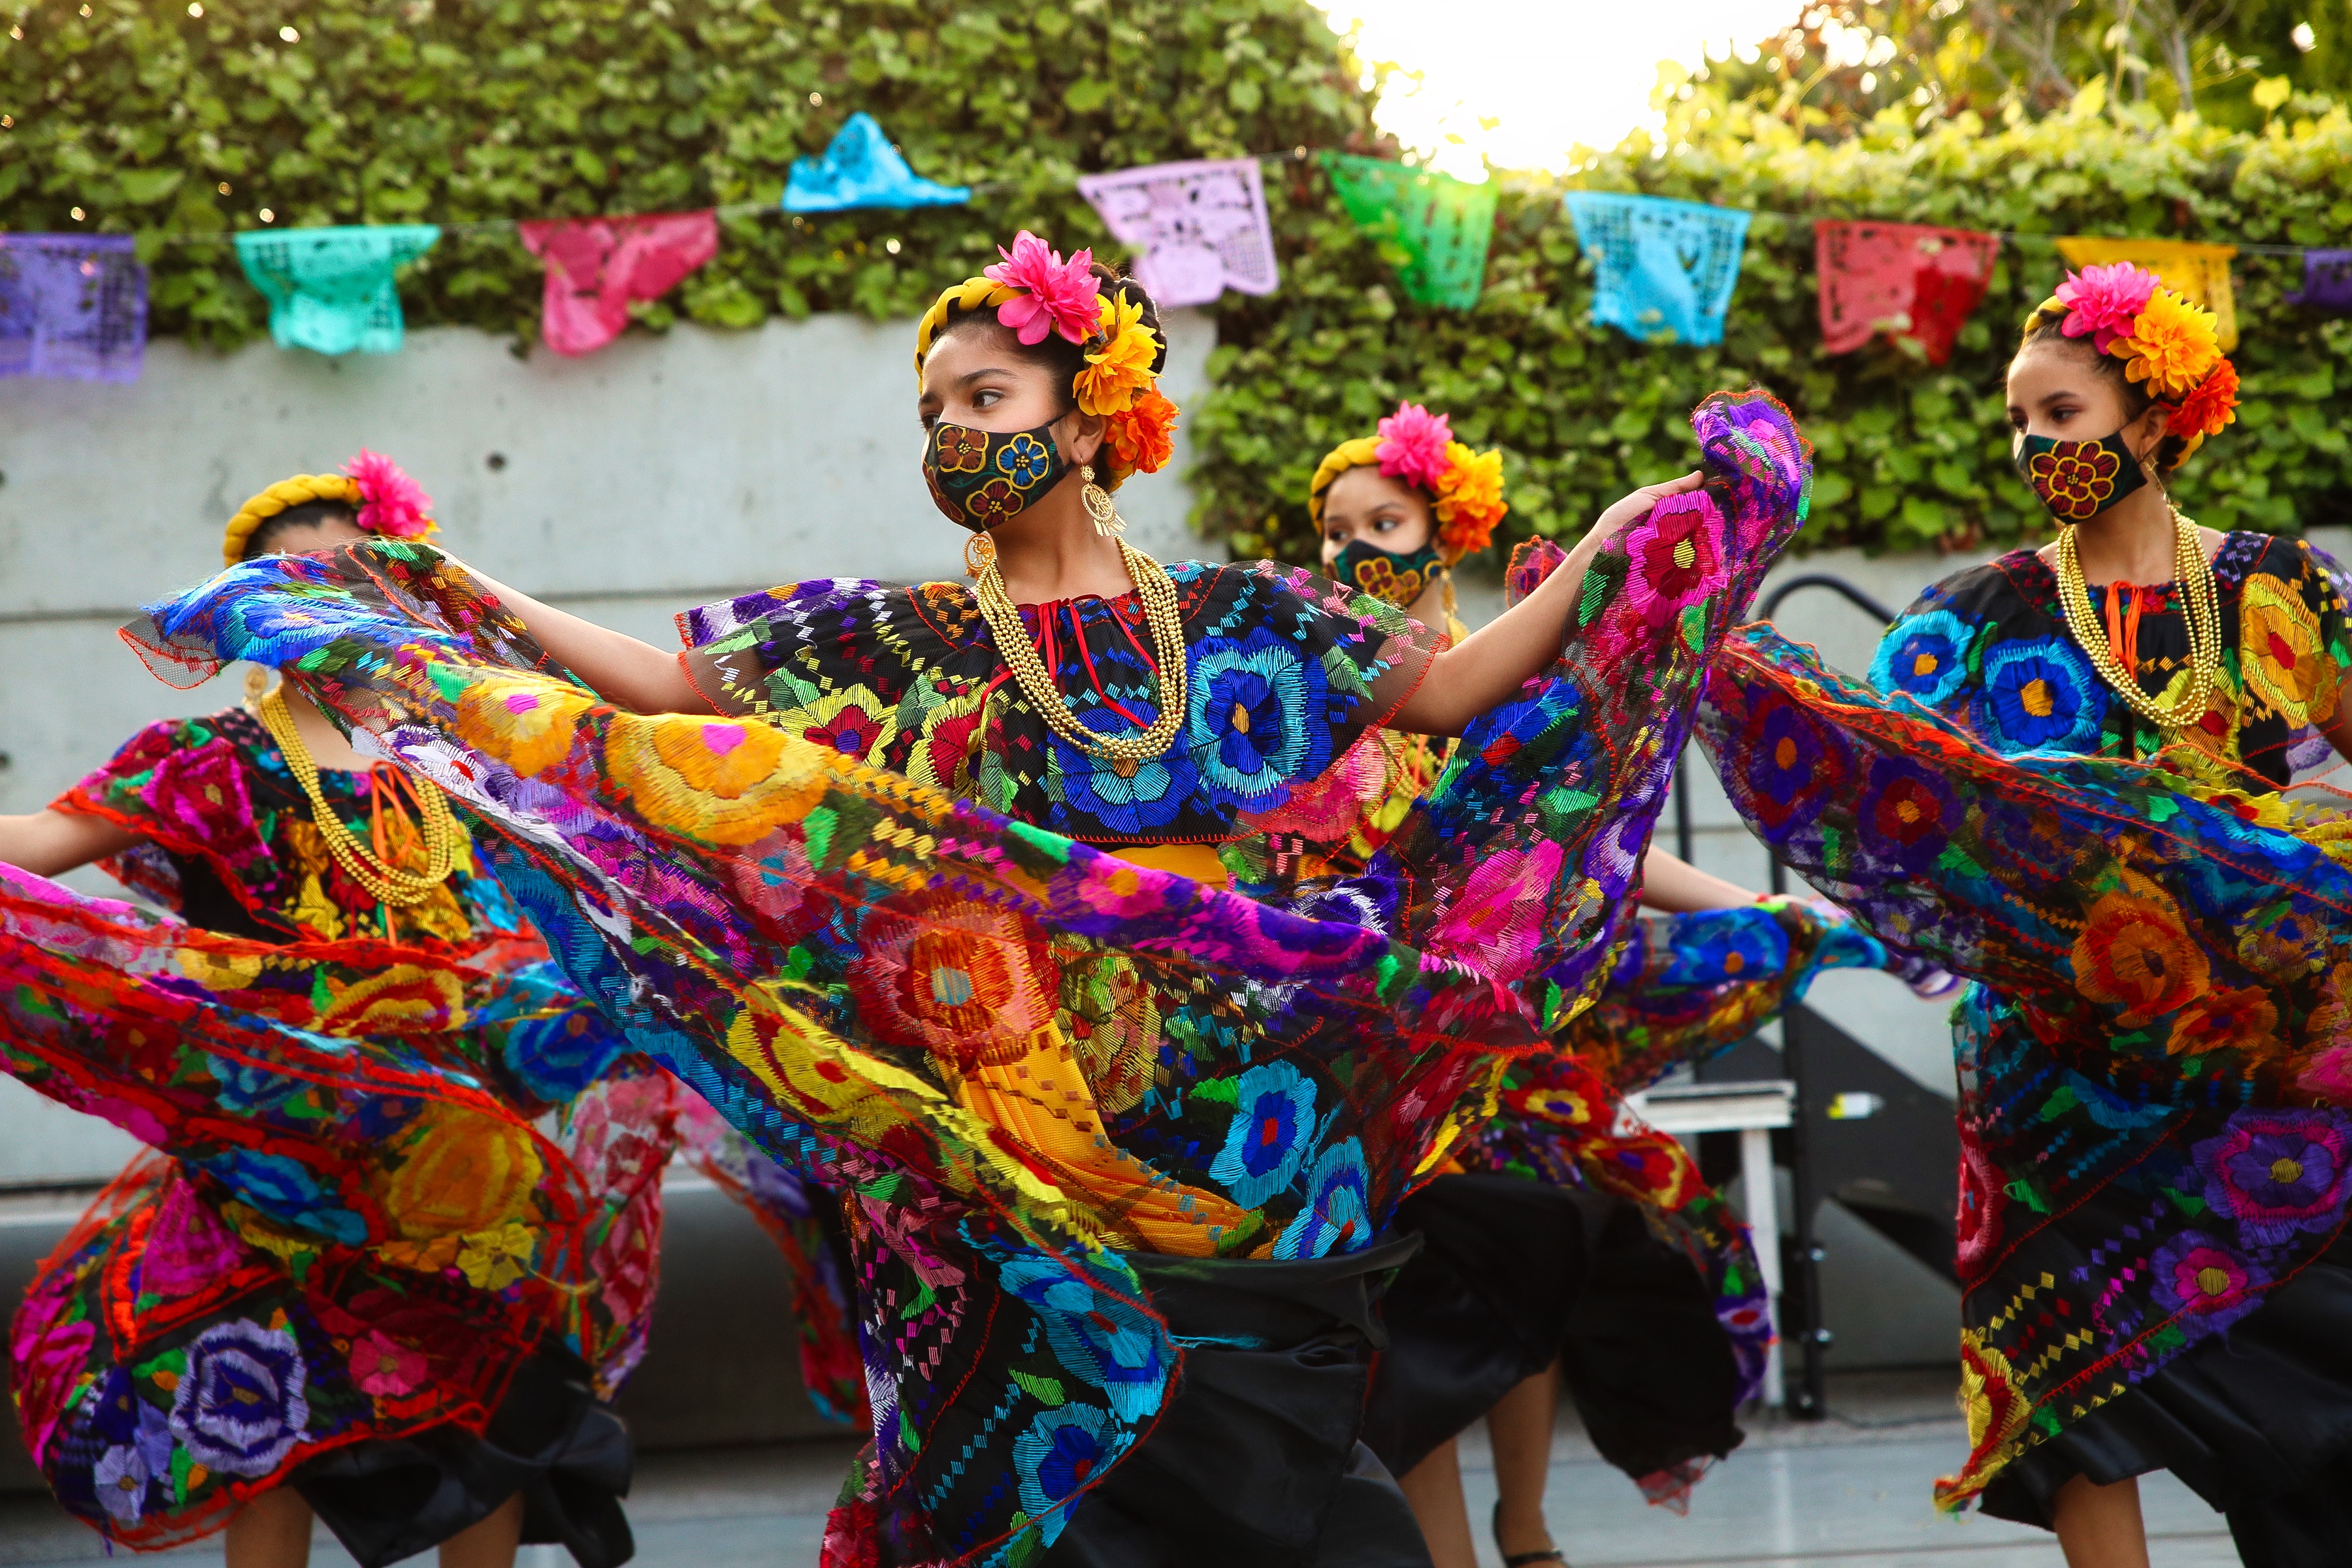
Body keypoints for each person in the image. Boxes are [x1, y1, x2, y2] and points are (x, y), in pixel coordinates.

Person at [134, 233, 1821, 1567]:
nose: (952, 430)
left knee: (1291, 1469)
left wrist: (1624, 534)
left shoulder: (1241, 618)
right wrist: (439, 583)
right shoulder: (893, 644)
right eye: (933, 405)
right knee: (1047, 1470)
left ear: (1089, 417)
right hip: (1009, 1118)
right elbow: (664, 685)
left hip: (1246, 1126)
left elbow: (1448, 697)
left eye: (988, 399)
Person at [1699, 263, 2352, 1568]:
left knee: (2316, 1380)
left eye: (2062, 415)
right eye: (2022, 423)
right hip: (2054, 1075)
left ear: (2157, 419)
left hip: (2264, 1059)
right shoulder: (1967, 625)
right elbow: (1875, 793)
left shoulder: (2280, 589)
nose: (2035, 447)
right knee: (2074, 1396)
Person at [0, 457, 659, 1568]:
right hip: (276, 1163)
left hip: (462, 1153)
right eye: (280, 581)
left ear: (392, 598)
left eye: (338, 577)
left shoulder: (477, 760)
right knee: (269, 1428)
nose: (309, 600)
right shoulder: (205, 764)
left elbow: (607, 886)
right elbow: (37, 848)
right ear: (240, 612)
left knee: (492, 1423)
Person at [1294, 411, 1901, 1566]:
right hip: (1375, 1051)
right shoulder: (1322, 696)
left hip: (1509, 1042)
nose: (1357, 549)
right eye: (1337, 531)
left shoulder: (1517, 692)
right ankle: (1455, 1552)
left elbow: (1595, 843)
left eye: (1385, 522)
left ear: (1445, 532)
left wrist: (1760, 910)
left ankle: (1525, 1530)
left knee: (1531, 1275)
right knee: (1410, 1318)